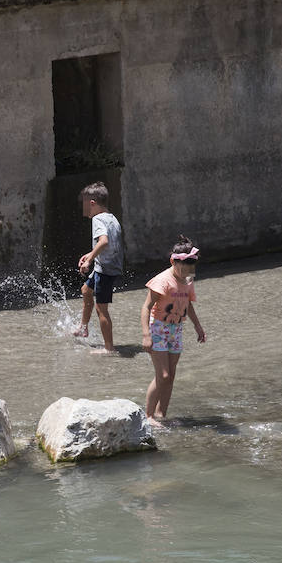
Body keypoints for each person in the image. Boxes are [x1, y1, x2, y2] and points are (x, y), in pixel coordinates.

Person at [140, 235, 207, 427]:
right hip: (158, 328)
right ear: (173, 261)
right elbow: (146, 307)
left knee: (171, 375)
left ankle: (161, 414)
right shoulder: (162, 281)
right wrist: (146, 335)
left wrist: (198, 326)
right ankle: (148, 416)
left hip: (176, 329)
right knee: (163, 375)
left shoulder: (188, 280)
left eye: (190, 268)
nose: (186, 272)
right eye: (183, 268)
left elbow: (188, 304)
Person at [72, 181, 124, 354]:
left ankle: (109, 348)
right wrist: (90, 255)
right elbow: (109, 245)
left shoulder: (97, 219)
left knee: (101, 309)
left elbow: (104, 242)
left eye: (84, 204)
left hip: (106, 270)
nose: (83, 208)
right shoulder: (112, 218)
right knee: (86, 290)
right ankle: (83, 328)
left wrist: (89, 261)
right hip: (108, 266)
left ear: (92, 203)